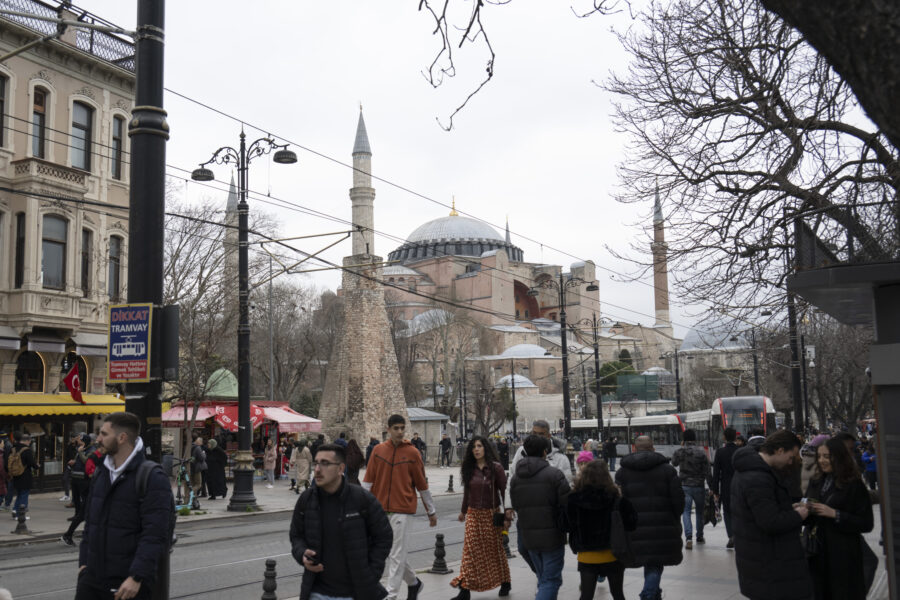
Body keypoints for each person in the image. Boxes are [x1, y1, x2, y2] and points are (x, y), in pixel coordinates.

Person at [77, 412, 174, 599]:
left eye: (104, 434)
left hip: (127, 585)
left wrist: (136, 577)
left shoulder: (152, 477)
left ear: (122, 438)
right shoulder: (101, 472)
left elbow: (155, 534)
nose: (98, 439)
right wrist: (84, 564)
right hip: (92, 580)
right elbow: (90, 523)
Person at [289, 443, 393, 600]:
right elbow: (296, 535)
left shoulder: (361, 499)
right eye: (316, 463)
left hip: (355, 593)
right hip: (316, 592)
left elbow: (384, 536)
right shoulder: (306, 500)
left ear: (340, 468)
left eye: (325, 463)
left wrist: (371, 574)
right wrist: (301, 553)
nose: (317, 469)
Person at [731, 429, 812, 600]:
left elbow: (762, 510)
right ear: (780, 450)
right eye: (791, 456)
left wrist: (789, 508)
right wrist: (799, 515)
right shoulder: (758, 477)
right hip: (768, 563)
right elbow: (770, 521)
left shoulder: (752, 471)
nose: (791, 462)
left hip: (758, 559)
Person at [363, 415, 436, 600]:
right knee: (391, 553)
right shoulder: (378, 451)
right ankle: (414, 582)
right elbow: (368, 481)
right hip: (379, 510)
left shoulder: (413, 453)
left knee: (396, 554)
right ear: (388, 430)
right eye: (396, 428)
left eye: (402, 428)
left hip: (403, 509)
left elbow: (422, 484)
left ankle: (391, 595)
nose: (400, 431)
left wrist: (431, 511)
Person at [615, 435, 685, 600]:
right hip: (663, 523)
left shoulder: (622, 472)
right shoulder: (668, 470)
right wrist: (674, 517)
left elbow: (617, 501)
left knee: (647, 559)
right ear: (653, 448)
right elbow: (678, 499)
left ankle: (653, 592)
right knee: (654, 562)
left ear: (634, 448)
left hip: (634, 525)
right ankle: (649, 593)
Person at [805, 438, 874, 599]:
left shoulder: (853, 485)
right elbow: (810, 510)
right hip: (818, 553)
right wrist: (803, 511)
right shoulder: (816, 481)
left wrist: (836, 514)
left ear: (839, 457)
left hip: (843, 555)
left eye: (827, 456)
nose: (822, 460)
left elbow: (866, 523)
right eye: (819, 456)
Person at [507, 419, 573, 572]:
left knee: (549, 552)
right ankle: (542, 576)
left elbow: (566, 487)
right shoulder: (521, 453)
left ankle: (545, 580)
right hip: (527, 513)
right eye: (534, 433)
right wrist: (509, 506)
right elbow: (511, 479)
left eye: (541, 434)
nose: (537, 437)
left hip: (549, 515)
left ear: (549, 436)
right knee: (523, 548)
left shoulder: (560, 459)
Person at [450, 436, 511, 599]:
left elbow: (505, 491)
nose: (476, 449)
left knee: (495, 550)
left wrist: (507, 514)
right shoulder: (469, 468)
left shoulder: (496, 468)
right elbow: (467, 493)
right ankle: (464, 590)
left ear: (486, 448)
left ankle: (505, 581)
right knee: (469, 551)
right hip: (473, 514)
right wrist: (463, 511)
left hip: (491, 514)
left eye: (479, 446)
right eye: (474, 447)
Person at [567, 459, 637, 600]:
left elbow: (565, 525)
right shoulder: (618, 500)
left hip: (586, 556)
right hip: (613, 554)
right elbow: (632, 524)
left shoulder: (573, 499)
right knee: (618, 594)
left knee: (586, 596)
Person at [671, 428, 712, 549]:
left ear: (684, 439)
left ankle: (688, 537)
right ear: (695, 439)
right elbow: (707, 471)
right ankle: (699, 536)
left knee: (686, 512)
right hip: (699, 486)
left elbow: (674, 463)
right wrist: (711, 486)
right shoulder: (701, 452)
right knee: (699, 512)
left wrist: (681, 448)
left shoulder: (680, 451)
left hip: (684, 486)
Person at [61, 434, 97, 545]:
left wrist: (80, 453)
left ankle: (80, 534)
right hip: (79, 481)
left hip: (85, 481)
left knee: (86, 512)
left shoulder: (91, 450)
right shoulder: (82, 450)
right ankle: (69, 534)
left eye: (80, 441)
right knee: (84, 511)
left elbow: (87, 462)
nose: (78, 443)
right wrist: (75, 461)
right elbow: (84, 462)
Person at [712, 426, 739, 548]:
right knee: (739, 511)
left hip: (726, 486)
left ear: (724, 437)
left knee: (727, 512)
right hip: (739, 485)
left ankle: (731, 536)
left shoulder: (720, 452)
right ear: (735, 437)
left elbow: (716, 472)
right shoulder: (740, 451)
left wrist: (715, 490)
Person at [10, 431, 37, 519]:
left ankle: (15, 510)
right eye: (29, 441)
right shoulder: (26, 450)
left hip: (16, 475)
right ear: (27, 441)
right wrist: (37, 466)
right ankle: (20, 515)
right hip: (25, 475)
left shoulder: (13, 449)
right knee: (24, 495)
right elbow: (31, 463)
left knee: (19, 494)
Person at [61, 432, 79, 503]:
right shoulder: (69, 446)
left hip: (76, 465)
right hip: (69, 465)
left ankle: (77, 496)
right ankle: (67, 495)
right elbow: (67, 455)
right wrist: (67, 463)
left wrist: (75, 461)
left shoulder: (78, 447)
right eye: (71, 438)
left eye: (73, 438)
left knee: (75, 481)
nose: (72, 440)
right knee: (65, 479)